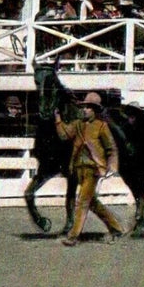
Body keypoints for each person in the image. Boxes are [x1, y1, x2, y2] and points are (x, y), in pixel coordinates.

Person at [55, 92, 126, 246]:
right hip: (78, 169)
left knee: (82, 201)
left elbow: (111, 148)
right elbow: (64, 135)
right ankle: (117, 229)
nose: (85, 109)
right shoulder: (78, 124)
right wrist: (58, 119)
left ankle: (73, 236)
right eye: (84, 107)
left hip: (93, 170)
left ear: (94, 110)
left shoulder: (102, 126)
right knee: (91, 203)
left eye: (88, 107)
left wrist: (111, 166)